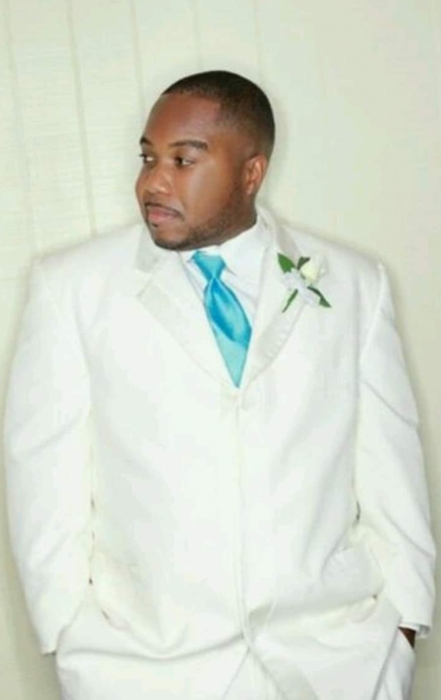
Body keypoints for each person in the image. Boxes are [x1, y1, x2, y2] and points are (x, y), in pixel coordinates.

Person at [4, 70, 435, 700]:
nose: (153, 182)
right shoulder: (71, 288)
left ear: (251, 172)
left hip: (335, 664)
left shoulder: (353, 284)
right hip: (142, 669)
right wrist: (71, 638)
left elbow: (393, 474)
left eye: (183, 160)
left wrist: (402, 628)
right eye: (148, 158)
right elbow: (42, 483)